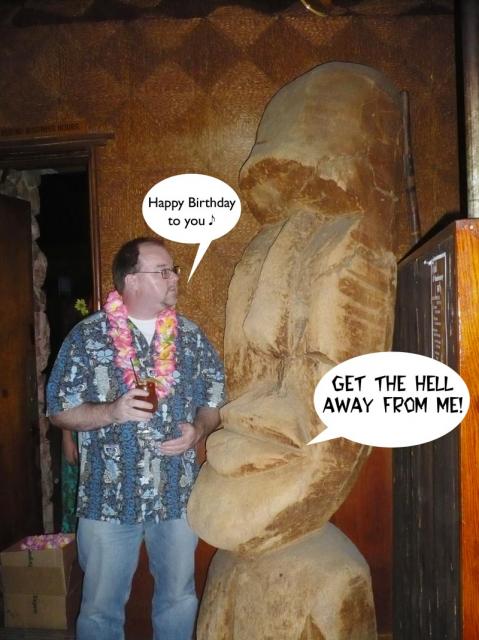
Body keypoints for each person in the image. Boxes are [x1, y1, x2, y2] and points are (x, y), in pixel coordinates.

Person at [47, 236, 224, 640]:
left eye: (174, 270)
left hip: (176, 496)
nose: (174, 277)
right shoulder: (87, 338)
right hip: (108, 499)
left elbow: (213, 402)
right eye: (163, 271)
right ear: (131, 280)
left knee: (179, 598)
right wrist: (112, 411)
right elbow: (59, 410)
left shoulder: (191, 337)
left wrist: (199, 430)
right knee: (99, 610)